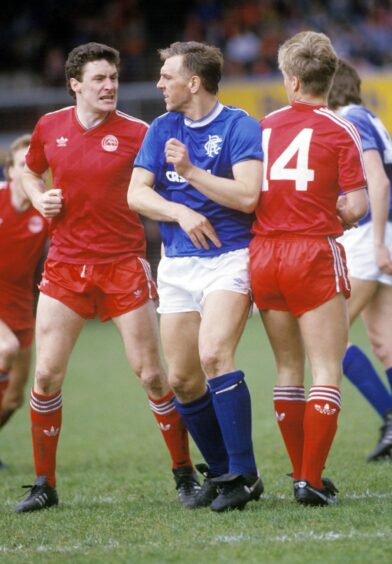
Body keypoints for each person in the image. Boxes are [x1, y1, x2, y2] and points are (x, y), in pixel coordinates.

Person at [14, 42, 196, 513]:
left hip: (122, 264)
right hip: (66, 267)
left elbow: (171, 183)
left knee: (154, 376)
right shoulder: (49, 127)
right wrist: (39, 197)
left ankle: (185, 474)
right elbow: (32, 173)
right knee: (47, 375)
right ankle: (43, 484)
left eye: (113, 78)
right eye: (98, 79)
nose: (109, 86)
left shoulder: (140, 132)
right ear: (75, 84)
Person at [128, 41, 263, 512]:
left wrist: (191, 171)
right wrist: (180, 212)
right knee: (183, 379)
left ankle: (244, 474)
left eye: (167, 76)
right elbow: (136, 195)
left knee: (213, 354)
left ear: (194, 82)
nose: (159, 84)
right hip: (179, 263)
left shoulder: (240, 125)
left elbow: (248, 197)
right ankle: (225, 471)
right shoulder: (160, 127)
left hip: (231, 257)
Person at [250, 31, 368, 506]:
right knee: (326, 368)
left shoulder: (263, 126)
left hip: (263, 255)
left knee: (286, 367)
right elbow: (357, 205)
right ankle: (311, 480)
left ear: (292, 81)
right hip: (312, 254)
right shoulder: (341, 129)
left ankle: (301, 472)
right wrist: (337, 210)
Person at [328, 59, 392, 462]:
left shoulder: (349, 119)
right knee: (384, 342)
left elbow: (379, 181)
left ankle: (389, 415)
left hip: (370, 236)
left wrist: (378, 241)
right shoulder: (365, 115)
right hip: (378, 234)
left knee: (327, 333)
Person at [0, 134, 49, 467]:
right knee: (6, 348)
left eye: (36, 165)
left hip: (20, 303)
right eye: (23, 164)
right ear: (10, 171)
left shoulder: (45, 208)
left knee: (16, 395)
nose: (31, 169)